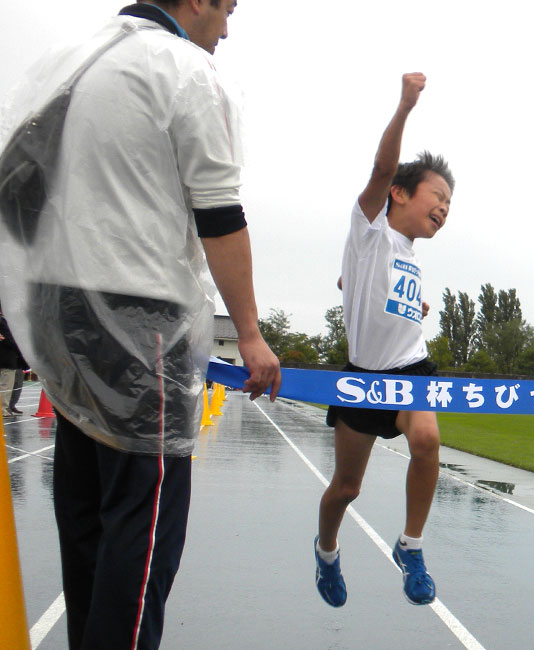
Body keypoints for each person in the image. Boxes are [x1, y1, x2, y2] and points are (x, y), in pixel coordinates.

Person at [0, 2, 281, 648]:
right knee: (143, 524)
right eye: (229, 9)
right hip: (139, 319)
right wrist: (250, 333)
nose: (228, 30)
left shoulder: (75, 64)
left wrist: (56, 270)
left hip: (60, 312)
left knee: (85, 516)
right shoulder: (183, 70)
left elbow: (14, 190)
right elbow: (219, 214)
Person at [315, 72, 453, 608]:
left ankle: (410, 546)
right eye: (437, 196)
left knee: (427, 441)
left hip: (410, 371)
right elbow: (380, 168)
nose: (444, 208)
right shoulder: (370, 230)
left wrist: (410, 306)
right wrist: (404, 107)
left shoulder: (409, 256)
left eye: (450, 205)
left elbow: (378, 297)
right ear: (398, 192)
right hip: (361, 379)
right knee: (346, 489)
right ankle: (326, 550)